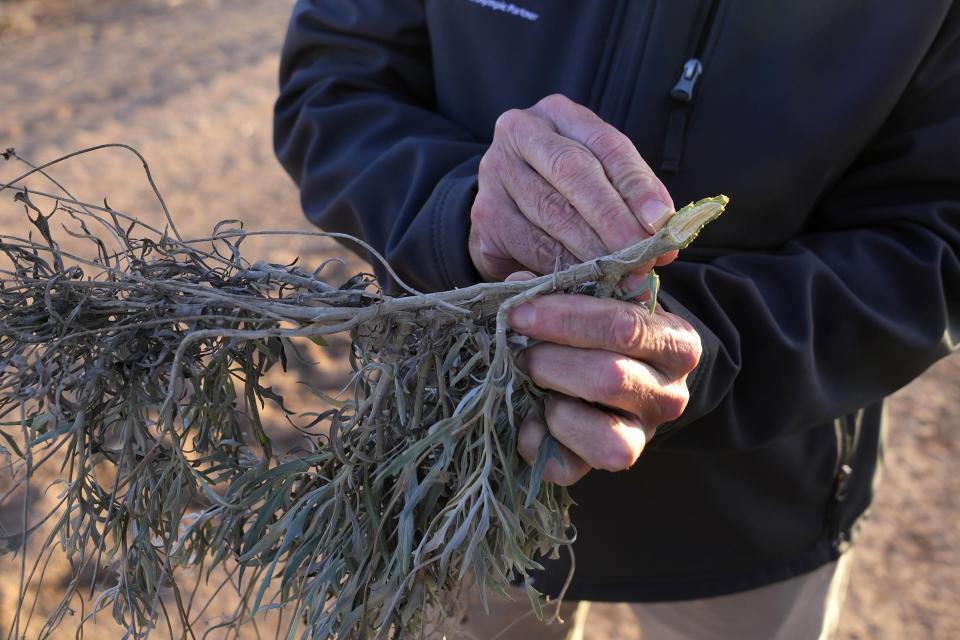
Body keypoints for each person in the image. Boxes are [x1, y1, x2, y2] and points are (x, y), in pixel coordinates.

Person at [273, 2, 960, 638]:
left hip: (756, 508)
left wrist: (709, 343)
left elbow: (936, 232)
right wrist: (458, 208)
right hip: (453, 474)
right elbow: (332, 85)